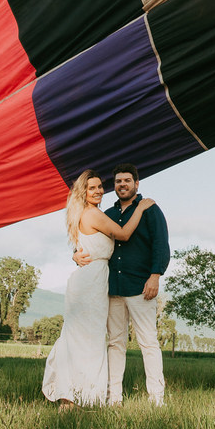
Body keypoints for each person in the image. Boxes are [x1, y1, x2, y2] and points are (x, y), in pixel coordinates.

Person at [42, 169, 154, 409]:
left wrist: (76, 255)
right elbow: (123, 234)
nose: (99, 191)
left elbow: (87, 246)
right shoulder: (92, 214)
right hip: (90, 283)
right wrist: (141, 208)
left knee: (84, 338)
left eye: (100, 186)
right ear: (83, 192)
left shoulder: (88, 214)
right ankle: (73, 396)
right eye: (92, 188)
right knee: (85, 339)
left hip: (91, 279)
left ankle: (77, 394)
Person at [74, 163, 170, 406]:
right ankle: (113, 397)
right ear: (114, 186)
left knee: (148, 341)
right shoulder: (107, 214)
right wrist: (74, 254)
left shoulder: (150, 210)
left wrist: (155, 275)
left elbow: (161, 244)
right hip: (113, 288)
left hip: (141, 286)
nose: (122, 185)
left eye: (127, 181)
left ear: (136, 184)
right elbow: (89, 241)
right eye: (118, 181)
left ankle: (157, 398)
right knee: (115, 343)